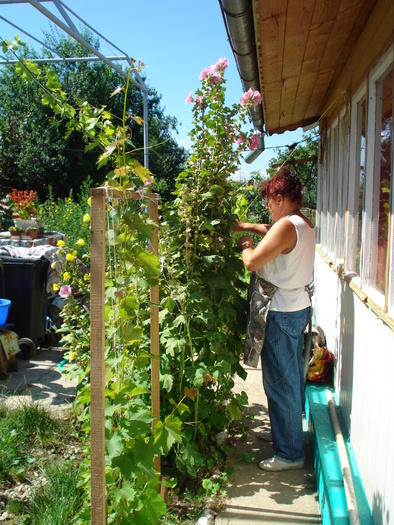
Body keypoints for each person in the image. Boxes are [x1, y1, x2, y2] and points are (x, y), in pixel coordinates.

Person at [233, 167, 315, 471]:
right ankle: (287, 435)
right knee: (289, 379)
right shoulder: (303, 223)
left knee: (281, 384)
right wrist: (247, 226)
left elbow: (252, 263)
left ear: (280, 198)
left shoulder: (287, 226)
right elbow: (271, 229)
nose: (268, 206)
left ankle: (290, 453)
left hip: (280, 313)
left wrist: (245, 245)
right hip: (296, 308)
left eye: (269, 200)